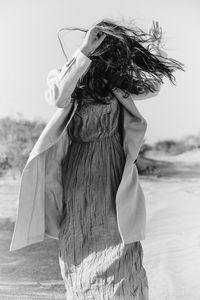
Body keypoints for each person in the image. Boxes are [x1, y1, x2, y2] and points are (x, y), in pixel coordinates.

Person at [9, 18, 185, 300]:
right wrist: (83, 52)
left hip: (113, 171)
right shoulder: (64, 76)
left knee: (120, 242)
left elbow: (152, 86)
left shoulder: (117, 84)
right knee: (79, 236)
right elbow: (56, 97)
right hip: (79, 172)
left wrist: (156, 50)